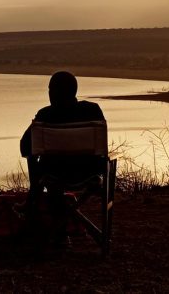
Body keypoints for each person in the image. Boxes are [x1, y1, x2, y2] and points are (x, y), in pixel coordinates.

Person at [20, 71, 106, 240]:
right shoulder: (92, 110)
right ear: (74, 91)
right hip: (89, 175)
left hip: (54, 176)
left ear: (52, 92)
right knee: (51, 170)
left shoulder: (46, 115)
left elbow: (25, 147)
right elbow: (102, 148)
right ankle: (61, 229)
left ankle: (52, 227)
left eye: (50, 89)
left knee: (38, 164)